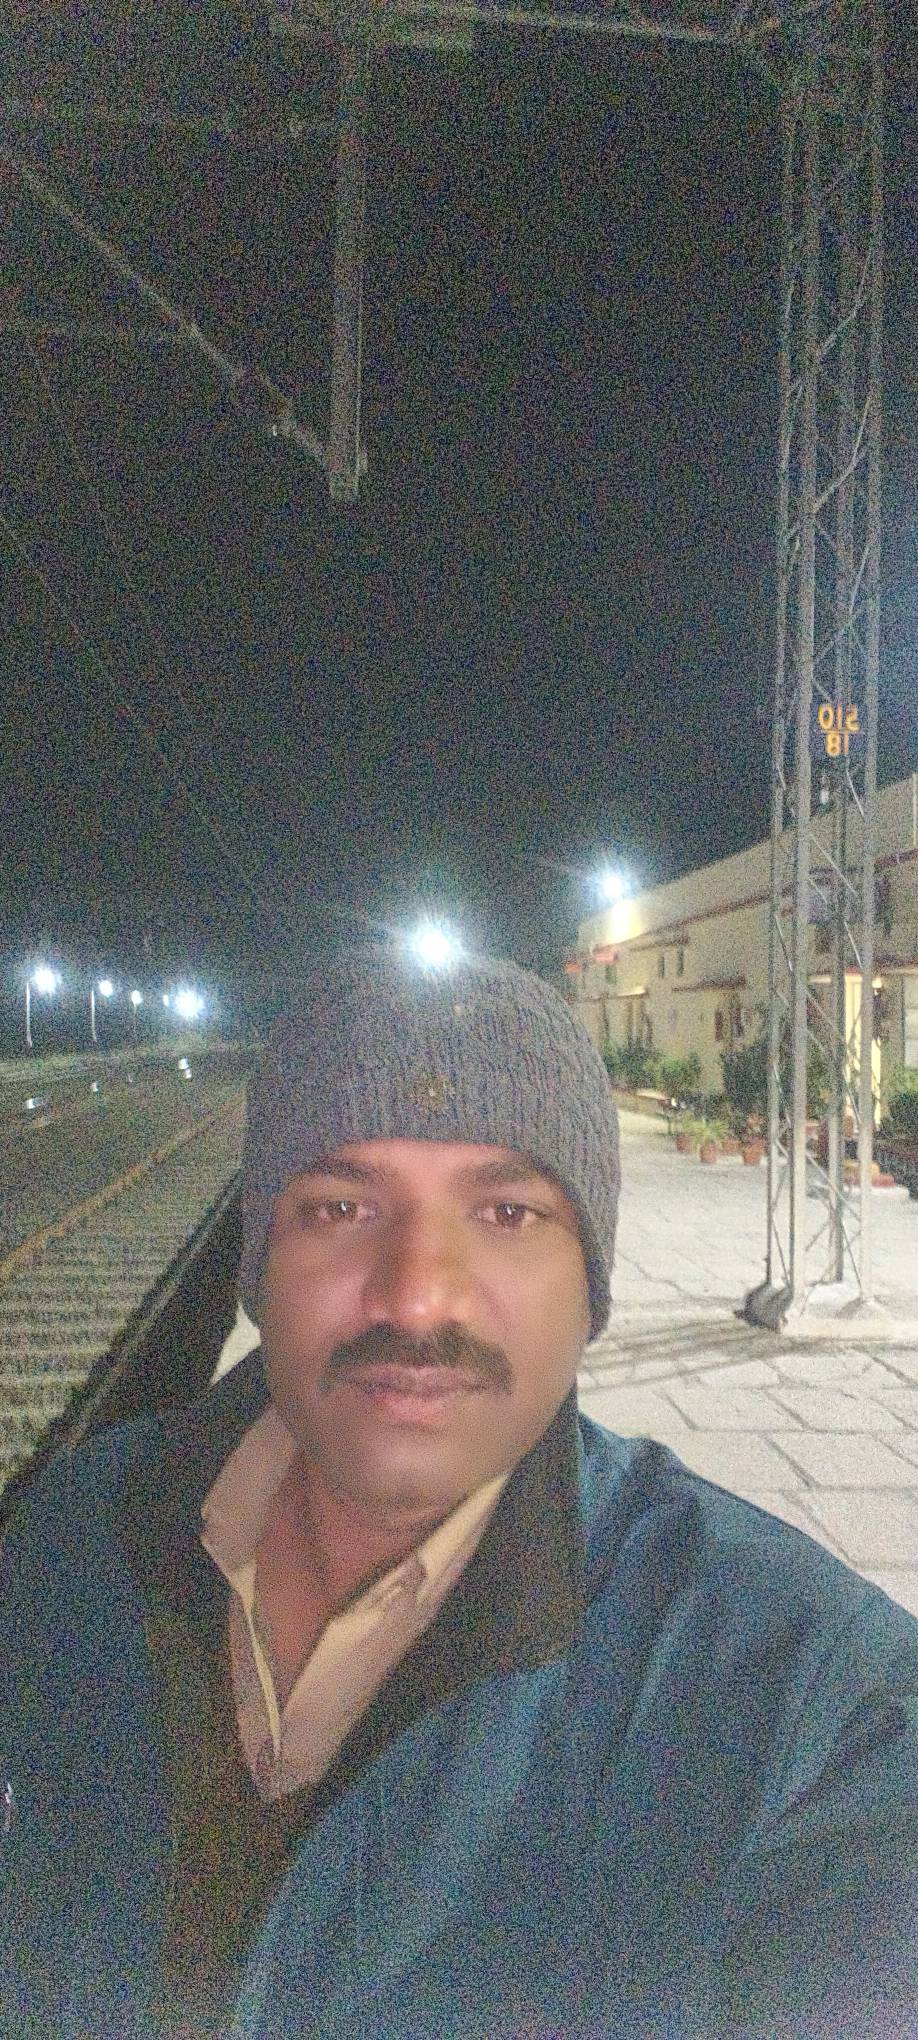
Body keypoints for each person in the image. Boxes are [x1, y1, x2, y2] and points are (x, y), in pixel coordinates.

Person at [1, 946, 916, 2040]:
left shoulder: (815, 1711)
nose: (417, 1295)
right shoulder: (69, 1534)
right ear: (259, 1266)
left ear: (590, 1288)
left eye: (508, 1213)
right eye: (341, 1207)